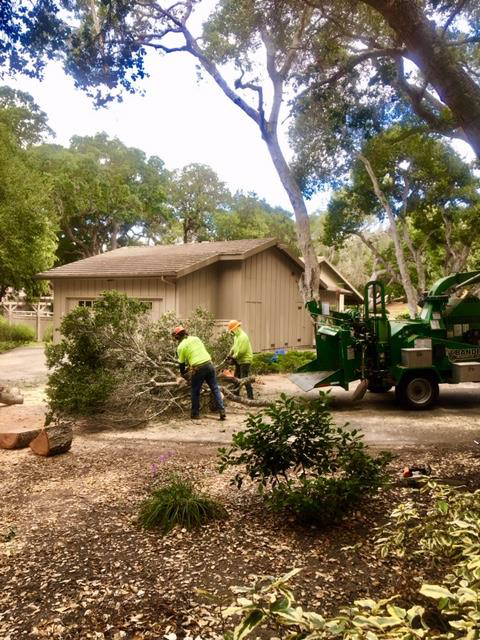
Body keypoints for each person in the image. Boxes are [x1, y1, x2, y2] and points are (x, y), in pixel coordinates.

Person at [172, 326, 226, 421]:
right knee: (215, 388)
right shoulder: (196, 338)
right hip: (209, 364)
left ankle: (195, 414)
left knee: (195, 391)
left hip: (198, 368)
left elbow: (181, 364)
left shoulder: (180, 347)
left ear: (177, 337)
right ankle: (222, 411)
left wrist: (183, 374)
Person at [228, 320, 254, 399]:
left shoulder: (243, 336)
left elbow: (242, 351)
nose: (231, 332)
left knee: (244, 378)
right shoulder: (236, 336)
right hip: (239, 359)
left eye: (232, 330)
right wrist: (230, 353)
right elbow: (234, 346)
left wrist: (234, 357)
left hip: (245, 360)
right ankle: (235, 394)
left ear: (236, 328)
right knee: (236, 377)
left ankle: (250, 397)